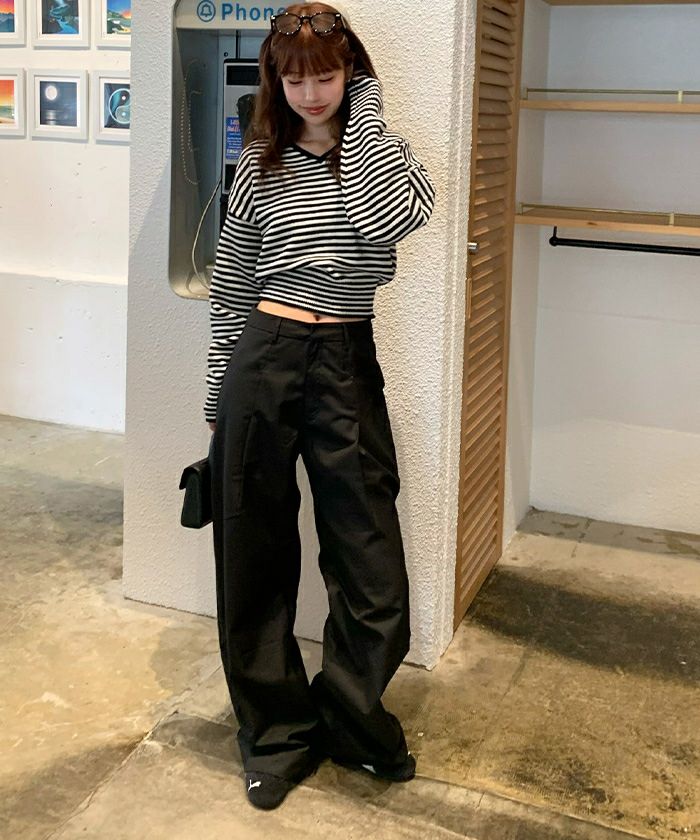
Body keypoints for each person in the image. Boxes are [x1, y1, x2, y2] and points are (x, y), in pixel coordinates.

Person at [204, 1, 436, 811]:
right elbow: (232, 285)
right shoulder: (258, 162)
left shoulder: (384, 156)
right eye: (294, 79)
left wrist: (364, 113)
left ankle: (350, 719)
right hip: (263, 358)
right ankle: (276, 734)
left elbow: (390, 218)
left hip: (345, 361)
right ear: (275, 79)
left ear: (351, 73)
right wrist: (216, 396)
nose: (310, 94)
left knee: (369, 560)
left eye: (328, 77)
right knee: (253, 555)